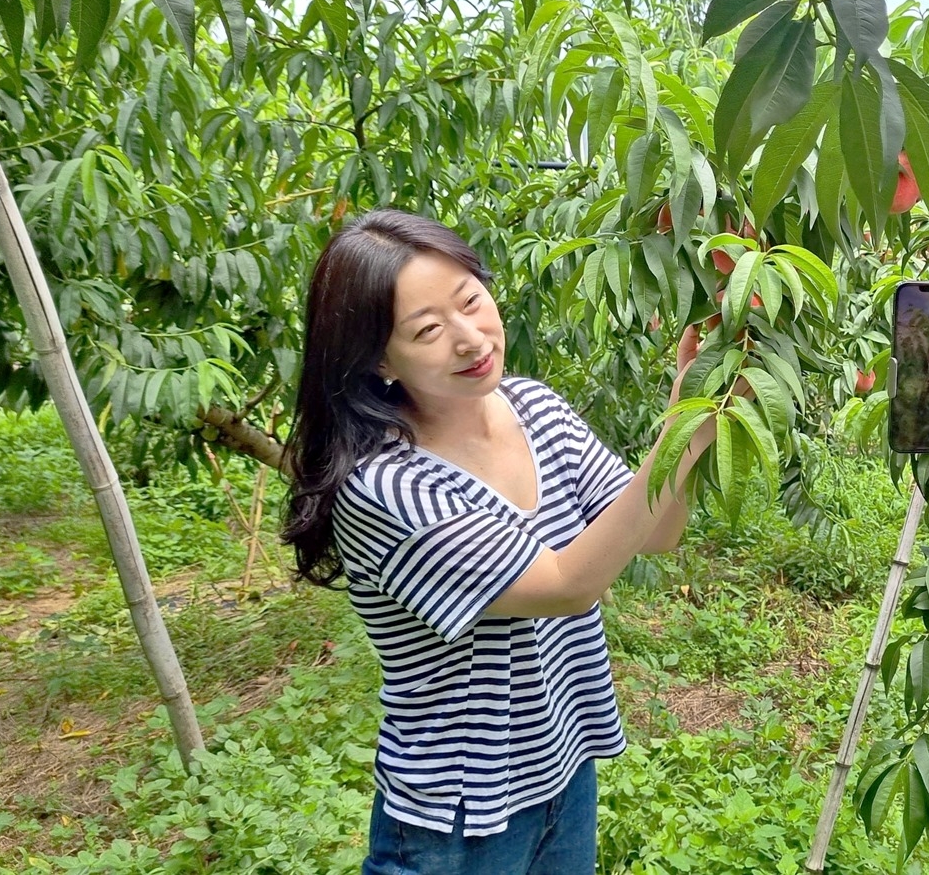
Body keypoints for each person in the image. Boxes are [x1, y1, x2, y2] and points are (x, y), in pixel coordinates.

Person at [282, 209, 712, 875]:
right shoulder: (388, 485)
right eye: (427, 330)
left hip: (563, 770)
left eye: (470, 300)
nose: (469, 338)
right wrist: (686, 433)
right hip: (458, 815)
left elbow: (657, 531)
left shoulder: (535, 407)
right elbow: (566, 586)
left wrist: (690, 413)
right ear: (378, 359)